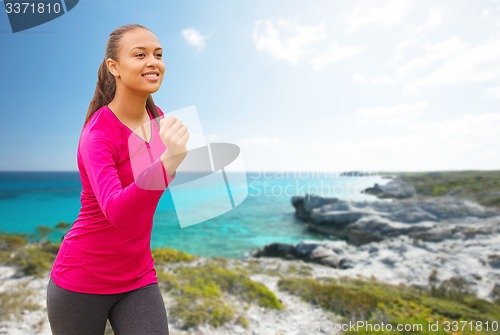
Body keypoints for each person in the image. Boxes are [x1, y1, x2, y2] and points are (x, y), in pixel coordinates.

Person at [47, 24, 189, 335]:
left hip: (138, 276)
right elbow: (117, 211)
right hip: (81, 280)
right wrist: (170, 162)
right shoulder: (98, 135)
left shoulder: (157, 119)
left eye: (158, 54)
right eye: (140, 55)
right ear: (115, 67)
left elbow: (148, 186)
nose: (153, 61)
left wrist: (172, 163)